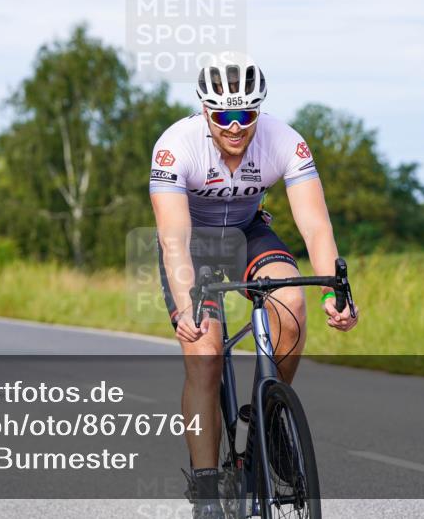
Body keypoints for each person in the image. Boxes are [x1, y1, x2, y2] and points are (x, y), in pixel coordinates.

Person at [149, 53, 359, 518]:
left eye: (246, 114)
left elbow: (316, 227)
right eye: (224, 115)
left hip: (247, 233)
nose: (235, 126)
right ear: (206, 110)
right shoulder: (175, 147)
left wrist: (335, 294)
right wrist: (187, 305)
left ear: (259, 110)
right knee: (205, 350)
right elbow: (174, 238)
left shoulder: (285, 141)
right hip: (194, 245)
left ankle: (271, 420)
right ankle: (205, 489)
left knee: (291, 302)